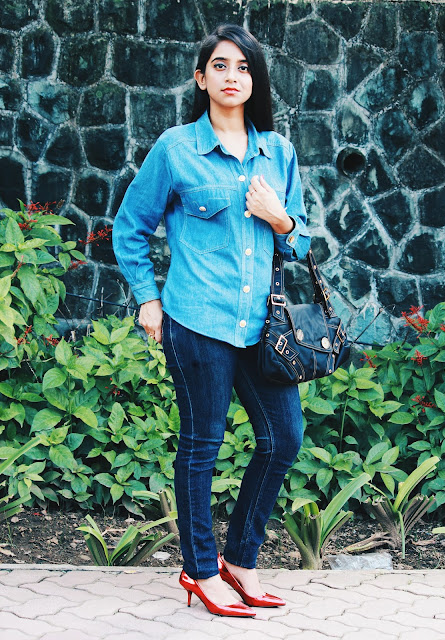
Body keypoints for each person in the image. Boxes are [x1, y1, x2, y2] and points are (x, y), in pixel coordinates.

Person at [113, 24, 311, 618]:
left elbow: (300, 244)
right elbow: (130, 226)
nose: (232, 77)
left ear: (255, 80)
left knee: (284, 438)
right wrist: (147, 298)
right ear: (201, 78)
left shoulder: (278, 153)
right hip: (197, 321)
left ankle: (240, 561)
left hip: (262, 327)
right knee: (203, 445)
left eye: (243, 67)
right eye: (220, 66)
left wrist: (279, 218)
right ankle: (199, 569)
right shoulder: (176, 148)